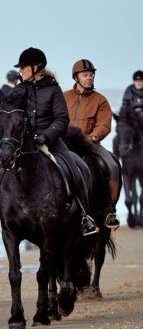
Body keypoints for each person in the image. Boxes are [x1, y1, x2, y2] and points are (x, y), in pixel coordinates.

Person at [0, 47, 98, 238]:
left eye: (24, 68)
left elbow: (61, 120)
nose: (21, 71)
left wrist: (46, 136)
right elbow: (8, 112)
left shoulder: (53, 90)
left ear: (36, 68)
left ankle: (85, 216)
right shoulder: (20, 88)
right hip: (23, 145)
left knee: (74, 167)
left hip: (50, 141)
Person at [64, 59, 120, 229]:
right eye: (85, 75)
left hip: (89, 142)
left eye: (91, 75)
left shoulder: (100, 100)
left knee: (112, 165)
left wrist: (94, 136)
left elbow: (104, 124)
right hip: (64, 143)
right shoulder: (64, 97)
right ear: (76, 77)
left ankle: (110, 209)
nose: (89, 78)